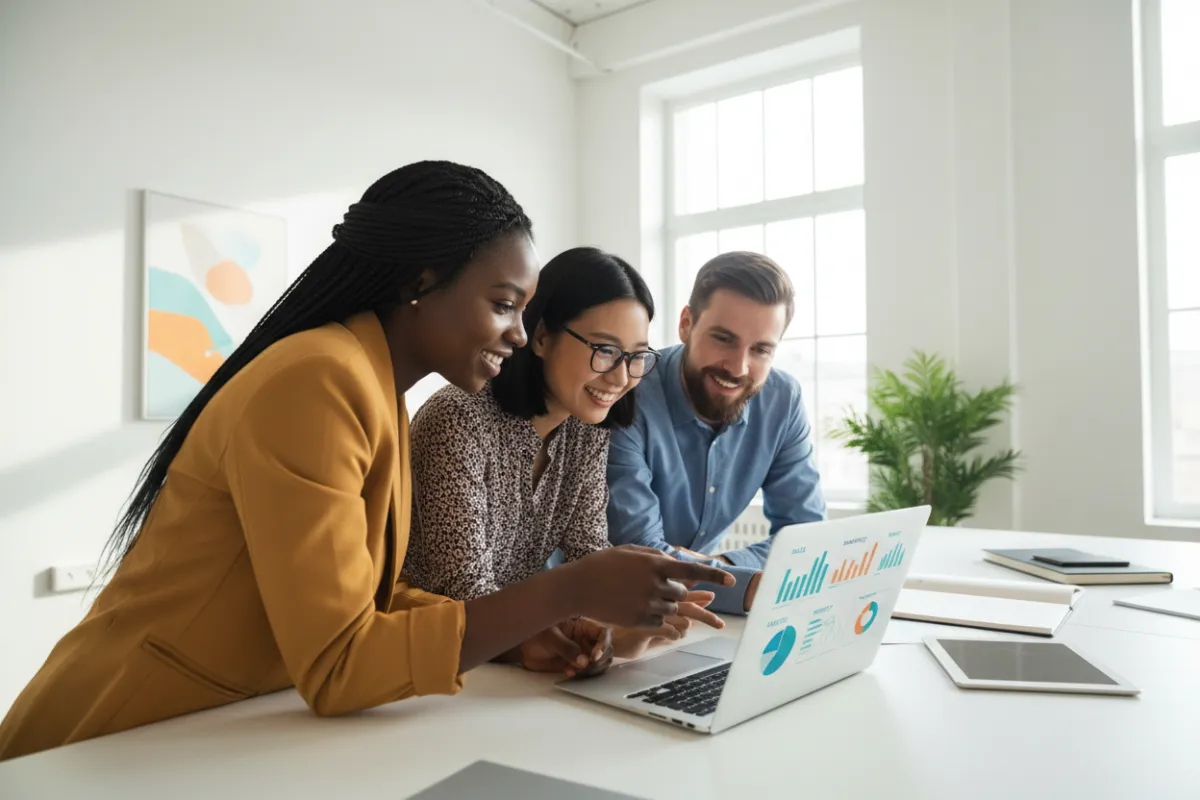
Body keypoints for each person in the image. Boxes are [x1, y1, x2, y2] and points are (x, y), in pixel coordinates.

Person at [0, 162, 732, 762]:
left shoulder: (371, 385)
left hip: (217, 734)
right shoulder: (319, 379)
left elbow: (365, 599)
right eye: (505, 304)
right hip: (111, 739)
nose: (517, 333)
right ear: (420, 283)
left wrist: (521, 637)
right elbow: (340, 663)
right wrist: (563, 591)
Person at [405, 247, 724, 675]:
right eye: (605, 350)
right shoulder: (458, 420)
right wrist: (565, 626)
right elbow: (464, 595)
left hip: (498, 668)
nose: (621, 377)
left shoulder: (586, 430)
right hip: (422, 663)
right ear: (540, 336)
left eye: (636, 357)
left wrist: (616, 629)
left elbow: (588, 556)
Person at [606, 251, 826, 614]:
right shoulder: (627, 390)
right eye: (724, 339)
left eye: (760, 350)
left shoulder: (782, 401)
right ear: (686, 323)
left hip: (704, 614)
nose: (738, 367)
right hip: (609, 613)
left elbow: (808, 537)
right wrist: (743, 581)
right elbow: (640, 553)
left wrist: (723, 563)